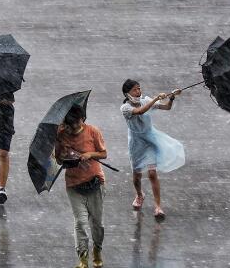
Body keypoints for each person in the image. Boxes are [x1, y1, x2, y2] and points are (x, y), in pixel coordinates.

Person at [120, 79, 185, 220]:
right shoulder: (125, 108)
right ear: (127, 93)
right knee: (137, 176)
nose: (138, 92)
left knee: (152, 173)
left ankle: (158, 206)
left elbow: (166, 107)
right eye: (135, 90)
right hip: (136, 143)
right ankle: (139, 194)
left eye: (139, 88)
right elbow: (140, 111)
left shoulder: (146, 100)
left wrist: (172, 97)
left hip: (149, 140)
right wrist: (156, 98)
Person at [55, 105, 107, 268]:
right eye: (68, 126)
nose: (72, 129)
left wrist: (90, 154)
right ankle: (83, 257)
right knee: (80, 222)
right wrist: (62, 155)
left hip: (94, 181)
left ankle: (97, 250)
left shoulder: (93, 131)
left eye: (75, 125)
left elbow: (103, 153)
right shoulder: (61, 135)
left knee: (97, 223)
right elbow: (58, 159)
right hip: (73, 184)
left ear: (82, 120)